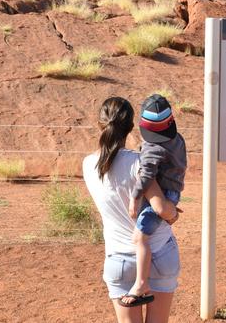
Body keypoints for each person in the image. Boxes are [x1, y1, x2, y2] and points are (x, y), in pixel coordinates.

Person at [83, 97, 181, 322]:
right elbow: (161, 208)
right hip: (160, 253)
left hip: (119, 258)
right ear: (131, 127)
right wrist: (173, 213)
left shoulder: (88, 165)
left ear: (100, 123)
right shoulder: (140, 163)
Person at [122, 94, 187, 307]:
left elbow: (146, 176)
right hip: (174, 191)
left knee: (139, 239)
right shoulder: (178, 139)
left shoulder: (152, 148)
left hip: (164, 196)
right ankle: (170, 212)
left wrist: (135, 197)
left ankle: (141, 283)